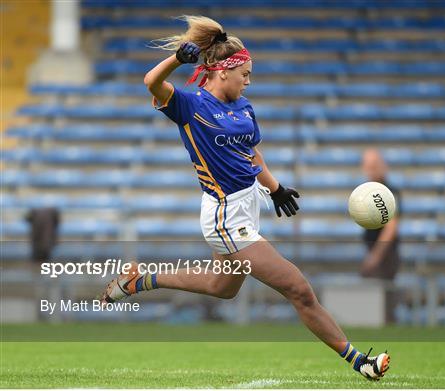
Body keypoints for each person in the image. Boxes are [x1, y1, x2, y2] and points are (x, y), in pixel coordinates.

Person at [99, 16, 389, 381]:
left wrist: (275, 187)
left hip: (247, 208)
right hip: (224, 216)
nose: (248, 81)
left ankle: (141, 279)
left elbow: (252, 155)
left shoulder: (245, 109)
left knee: (223, 288)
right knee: (298, 288)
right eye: (245, 74)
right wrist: (177, 59)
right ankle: (358, 360)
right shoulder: (190, 105)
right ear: (223, 72)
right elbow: (151, 82)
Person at [359, 149, 400, 281]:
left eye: (373, 166)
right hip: (373, 252)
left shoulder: (388, 192)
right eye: (367, 166)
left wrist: (375, 256)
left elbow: (391, 228)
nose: (370, 170)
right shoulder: (370, 191)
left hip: (384, 257)